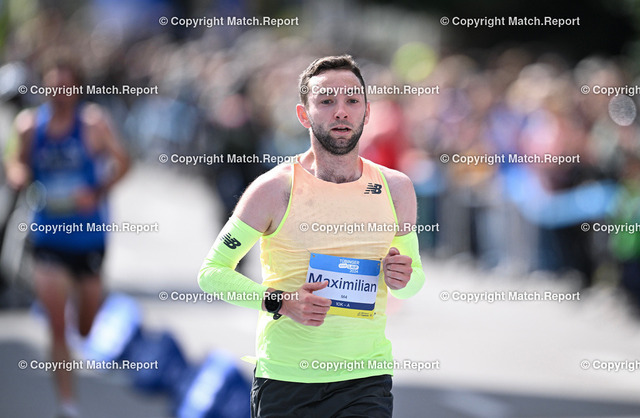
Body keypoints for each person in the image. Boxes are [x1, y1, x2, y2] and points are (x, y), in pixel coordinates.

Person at [199, 55, 425, 417]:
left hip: (365, 379)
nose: (341, 111)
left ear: (367, 112)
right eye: (326, 101)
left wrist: (403, 277)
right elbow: (212, 273)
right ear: (304, 115)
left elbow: (412, 284)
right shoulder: (274, 189)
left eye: (352, 100)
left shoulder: (396, 188)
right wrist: (282, 302)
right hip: (287, 379)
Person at [5, 52, 129, 418]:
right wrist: (17, 174)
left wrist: (97, 192)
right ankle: (67, 405)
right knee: (58, 326)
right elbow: (14, 160)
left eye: (65, 86)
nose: (58, 93)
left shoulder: (93, 124)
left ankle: (86, 302)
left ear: (77, 89)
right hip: (48, 237)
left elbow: (124, 162)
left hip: (88, 239)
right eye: (52, 86)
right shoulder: (29, 126)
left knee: (85, 328)